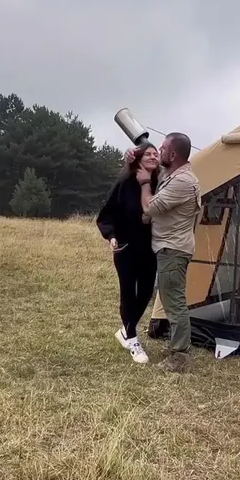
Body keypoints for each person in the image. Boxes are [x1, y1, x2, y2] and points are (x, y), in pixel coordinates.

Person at [132, 132, 201, 373]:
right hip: (169, 247)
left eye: (162, 149)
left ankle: (180, 357)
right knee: (171, 299)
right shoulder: (171, 174)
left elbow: (149, 207)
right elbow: (153, 168)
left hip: (173, 249)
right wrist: (134, 155)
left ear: (172, 155)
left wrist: (143, 183)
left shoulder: (183, 182)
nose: (158, 152)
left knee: (174, 302)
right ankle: (178, 349)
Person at [96, 144, 161, 364]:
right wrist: (111, 236)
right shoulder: (124, 183)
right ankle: (132, 339)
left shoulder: (160, 182)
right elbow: (106, 214)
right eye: (148, 154)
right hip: (126, 247)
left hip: (150, 248)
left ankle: (126, 330)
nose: (153, 156)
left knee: (146, 292)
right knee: (128, 292)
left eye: (155, 154)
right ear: (138, 159)